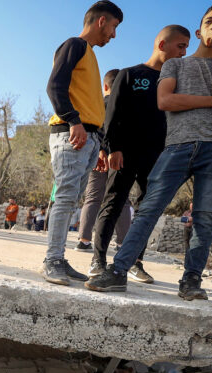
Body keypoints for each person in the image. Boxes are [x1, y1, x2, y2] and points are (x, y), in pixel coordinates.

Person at [87, 3, 212, 300]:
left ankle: (191, 281)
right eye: (210, 21)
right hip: (176, 146)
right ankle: (118, 270)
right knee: (148, 208)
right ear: (200, 30)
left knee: (205, 216)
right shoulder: (175, 65)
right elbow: (165, 101)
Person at [88, 24, 192, 284]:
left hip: (158, 158)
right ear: (162, 45)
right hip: (124, 154)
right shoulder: (130, 74)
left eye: (187, 47)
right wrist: (112, 148)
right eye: (181, 46)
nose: (184, 52)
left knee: (147, 210)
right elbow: (113, 117)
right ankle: (98, 261)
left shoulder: (176, 83)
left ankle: (134, 262)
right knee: (112, 203)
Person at [42, 1, 122, 285]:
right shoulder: (74, 45)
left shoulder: (89, 54)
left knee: (71, 199)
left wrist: (99, 143)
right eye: (113, 27)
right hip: (70, 132)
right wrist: (74, 120)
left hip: (87, 137)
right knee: (64, 197)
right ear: (101, 21)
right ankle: (51, 260)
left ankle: (59, 259)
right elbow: (54, 86)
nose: (113, 35)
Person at [75, 68, 120, 251]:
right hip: (119, 157)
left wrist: (101, 149)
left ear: (105, 85)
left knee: (92, 197)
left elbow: (93, 130)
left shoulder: (97, 104)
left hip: (98, 157)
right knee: (121, 200)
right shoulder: (126, 107)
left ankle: (84, 240)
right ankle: (122, 242)